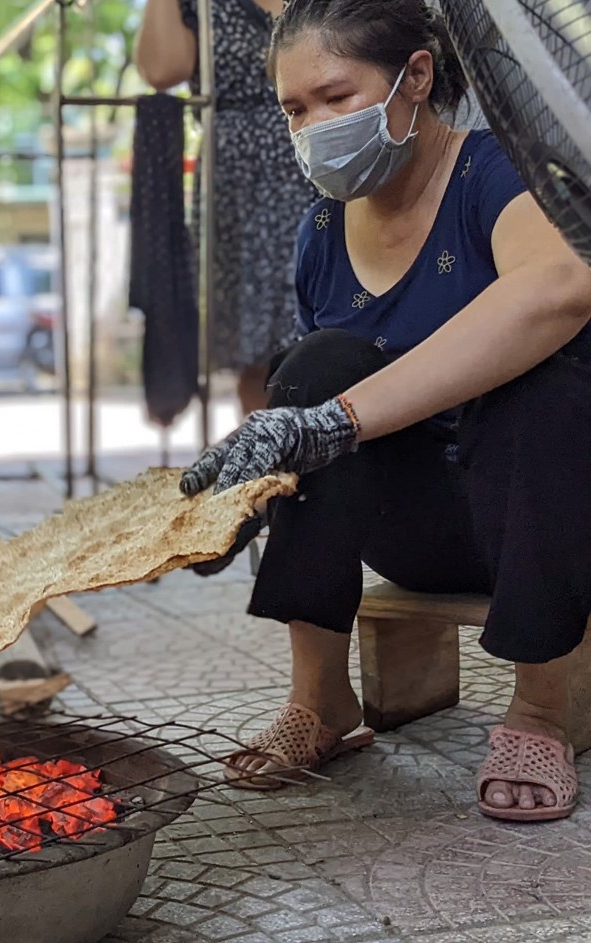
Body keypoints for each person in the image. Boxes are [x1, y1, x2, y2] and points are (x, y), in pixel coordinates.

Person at [180, 0, 591, 822]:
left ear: (417, 76)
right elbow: (319, 403)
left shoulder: (494, 173)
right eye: (296, 109)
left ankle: (543, 706)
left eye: (335, 98)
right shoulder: (322, 230)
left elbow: (563, 288)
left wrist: (338, 420)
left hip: (540, 514)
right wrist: (250, 480)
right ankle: (323, 700)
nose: (313, 126)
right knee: (313, 367)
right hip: (417, 530)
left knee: (543, 381)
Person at [135, 0, 316, 413]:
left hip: (322, 151)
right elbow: (162, 70)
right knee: (258, 357)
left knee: (329, 330)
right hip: (237, 181)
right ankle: (269, 469)